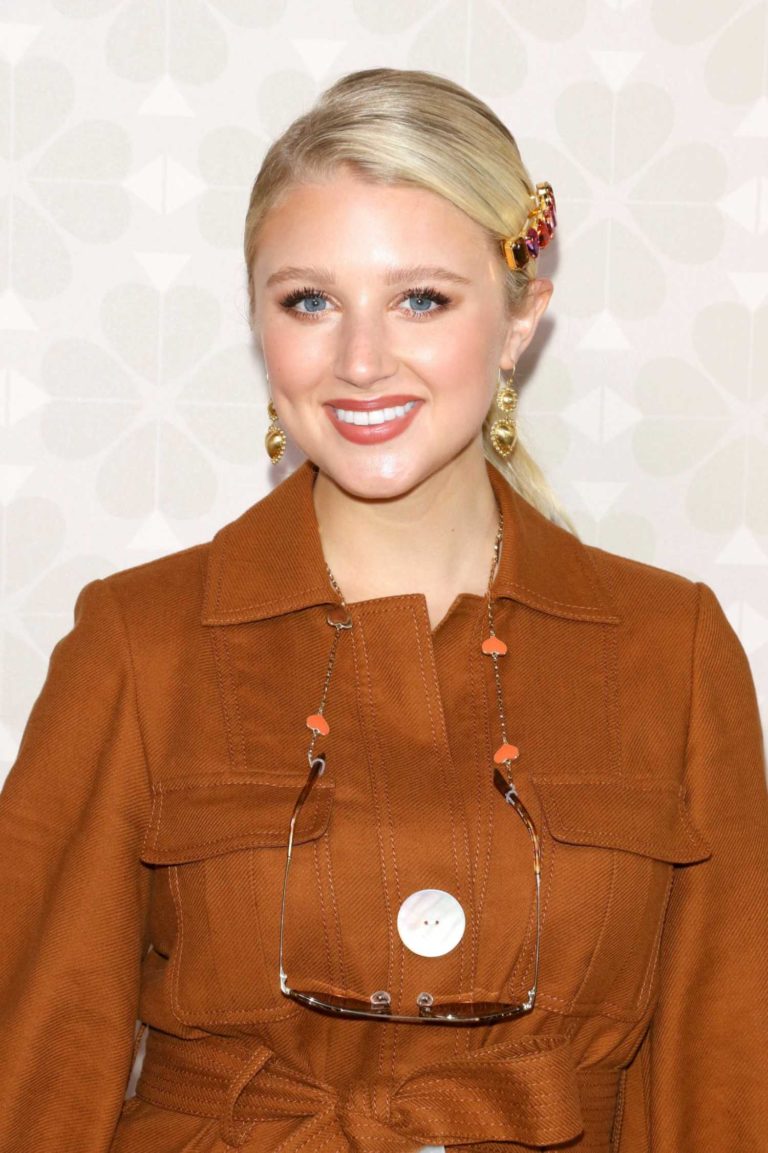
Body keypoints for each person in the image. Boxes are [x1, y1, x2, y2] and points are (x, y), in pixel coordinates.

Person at [0, 66, 766, 1153]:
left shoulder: (670, 648)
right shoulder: (139, 641)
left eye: (422, 298)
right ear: (259, 320)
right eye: (308, 300)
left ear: (519, 318)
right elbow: (33, 1058)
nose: (359, 362)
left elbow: (722, 1068)